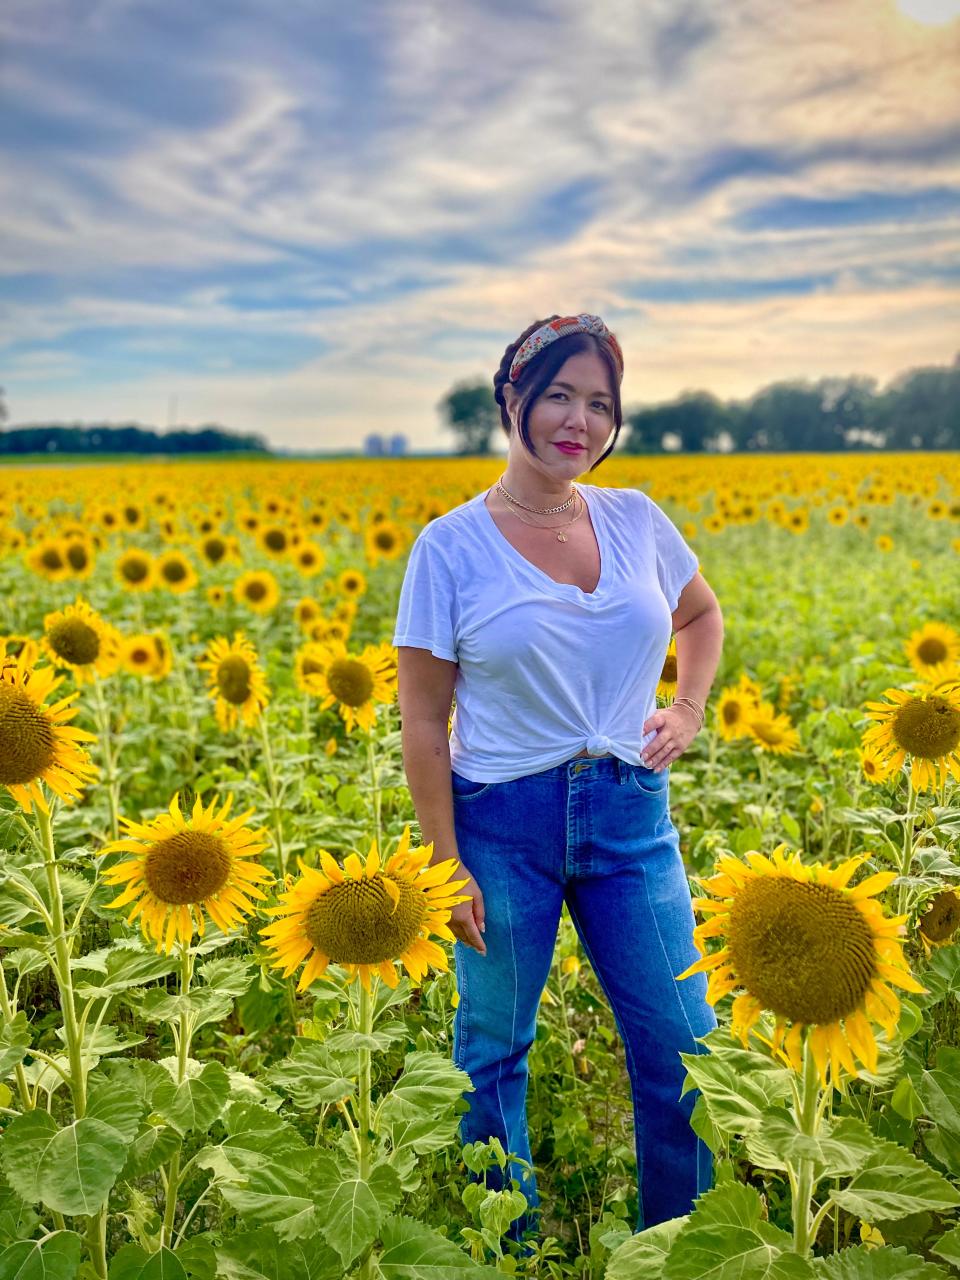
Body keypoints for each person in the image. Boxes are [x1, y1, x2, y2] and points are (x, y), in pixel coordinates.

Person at [392, 313, 725, 1241]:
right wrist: (443, 862)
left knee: (684, 1041)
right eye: (560, 397)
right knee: (493, 1047)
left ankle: (680, 1244)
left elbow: (701, 617)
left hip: (629, 815)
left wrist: (687, 708)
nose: (579, 421)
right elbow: (424, 721)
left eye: (601, 404)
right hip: (500, 821)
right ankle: (513, 1248)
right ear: (514, 399)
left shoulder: (637, 520)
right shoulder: (450, 547)